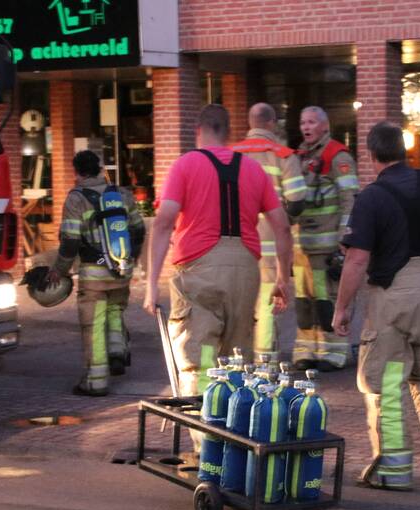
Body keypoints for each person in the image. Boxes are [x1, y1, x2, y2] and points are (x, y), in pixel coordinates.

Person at [332, 121, 420, 490]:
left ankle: (392, 471)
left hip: (391, 298)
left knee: (388, 383)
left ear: (372, 154)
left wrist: (342, 307)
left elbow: (358, 260)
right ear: (404, 150)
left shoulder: (372, 197)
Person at [143, 104, 293, 400]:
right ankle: (232, 437)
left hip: (200, 272)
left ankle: (205, 440)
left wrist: (150, 287)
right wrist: (282, 279)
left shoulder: (185, 165)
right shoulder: (253, 169)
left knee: (200, 359)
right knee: (237, 362)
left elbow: (163, 224)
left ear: (198, 131)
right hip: (245, 271)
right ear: (228, 133)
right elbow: (282, 228)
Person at [47, 150, 145, 397]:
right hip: (121, 270)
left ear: (76, 172)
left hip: (93, 275)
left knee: (94, 324)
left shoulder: (75, 199)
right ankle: (117, 352)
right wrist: (128, 259)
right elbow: (139, 230)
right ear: (100, 169)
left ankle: (96, 381)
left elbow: (70, 242)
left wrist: (59, 270)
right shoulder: (122, 194)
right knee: (115, 309)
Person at [231, 102, 307, 358]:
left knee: (239, 304)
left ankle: (237, 361)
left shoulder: (231, 154)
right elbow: (296, 201)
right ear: (272, 123)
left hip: (235, 245)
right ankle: (264, 364)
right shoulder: (283, 155)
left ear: (250, 124)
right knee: (266, 304)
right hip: (271, 245)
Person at [294, 105, 359, 371]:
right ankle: (306, 351)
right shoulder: (299, 156)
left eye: (311, 122)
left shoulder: (337, 156)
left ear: (324, 126)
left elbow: (350, 200)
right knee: (304, 303)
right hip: (303, 247)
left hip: (327, 247)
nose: (306, 127)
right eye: (302, 122)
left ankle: (335, 352)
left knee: (327, 301)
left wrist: (345, 240)